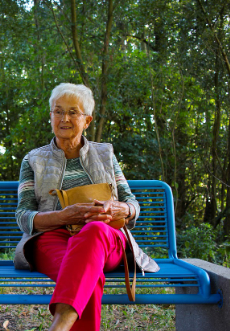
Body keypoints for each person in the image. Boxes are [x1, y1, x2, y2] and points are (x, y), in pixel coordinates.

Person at [13, 83, 159, 331]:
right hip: (52, 237)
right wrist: (62, 216)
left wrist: (121, 209)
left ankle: (58, 327)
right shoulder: (33, 159)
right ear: (50, 116)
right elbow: (23, 215)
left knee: (93, 233)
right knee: (85, 275)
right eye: (57, 111)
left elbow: (132, 202)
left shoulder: (105, 155)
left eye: (73, 112)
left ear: (87, 120)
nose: (64, 118)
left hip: (104, 236)